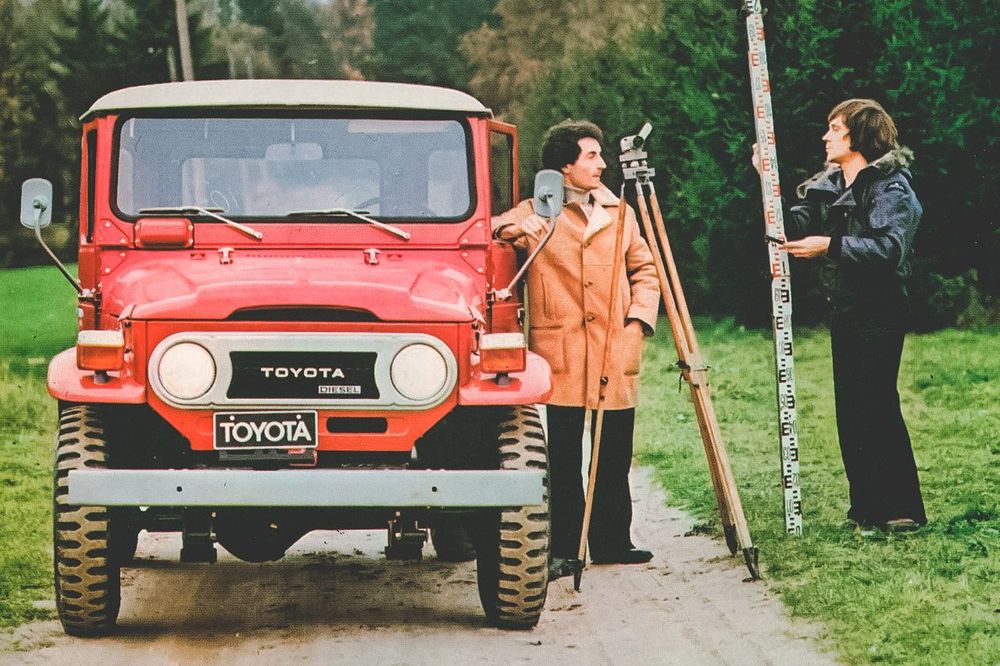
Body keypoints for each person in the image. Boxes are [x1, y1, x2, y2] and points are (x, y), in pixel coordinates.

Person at [492, 120, 661, 577]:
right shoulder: (535, 211)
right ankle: (566, 547)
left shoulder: (620, 212)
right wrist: (515, 228)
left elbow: (645, 270)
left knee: (614, 451)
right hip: (562, 350)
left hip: (613, 344)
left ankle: (612, 540)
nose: (602, 164)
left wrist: (638, 320)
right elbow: (489, 231)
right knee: (563, 456)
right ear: (565, 166)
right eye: (591, 156)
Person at [753, 98, 927, 530]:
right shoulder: (830, 185)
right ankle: (866, 507)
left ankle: (901, 508)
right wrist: (765, 180)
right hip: (846, 308)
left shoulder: (891, 188)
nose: (825, 136)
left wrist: (828, 246)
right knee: (851, 409)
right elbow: (788, 227)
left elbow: (888, 248)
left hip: (881, 308)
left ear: (859, 135)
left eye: (835, 128)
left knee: (877, 402)